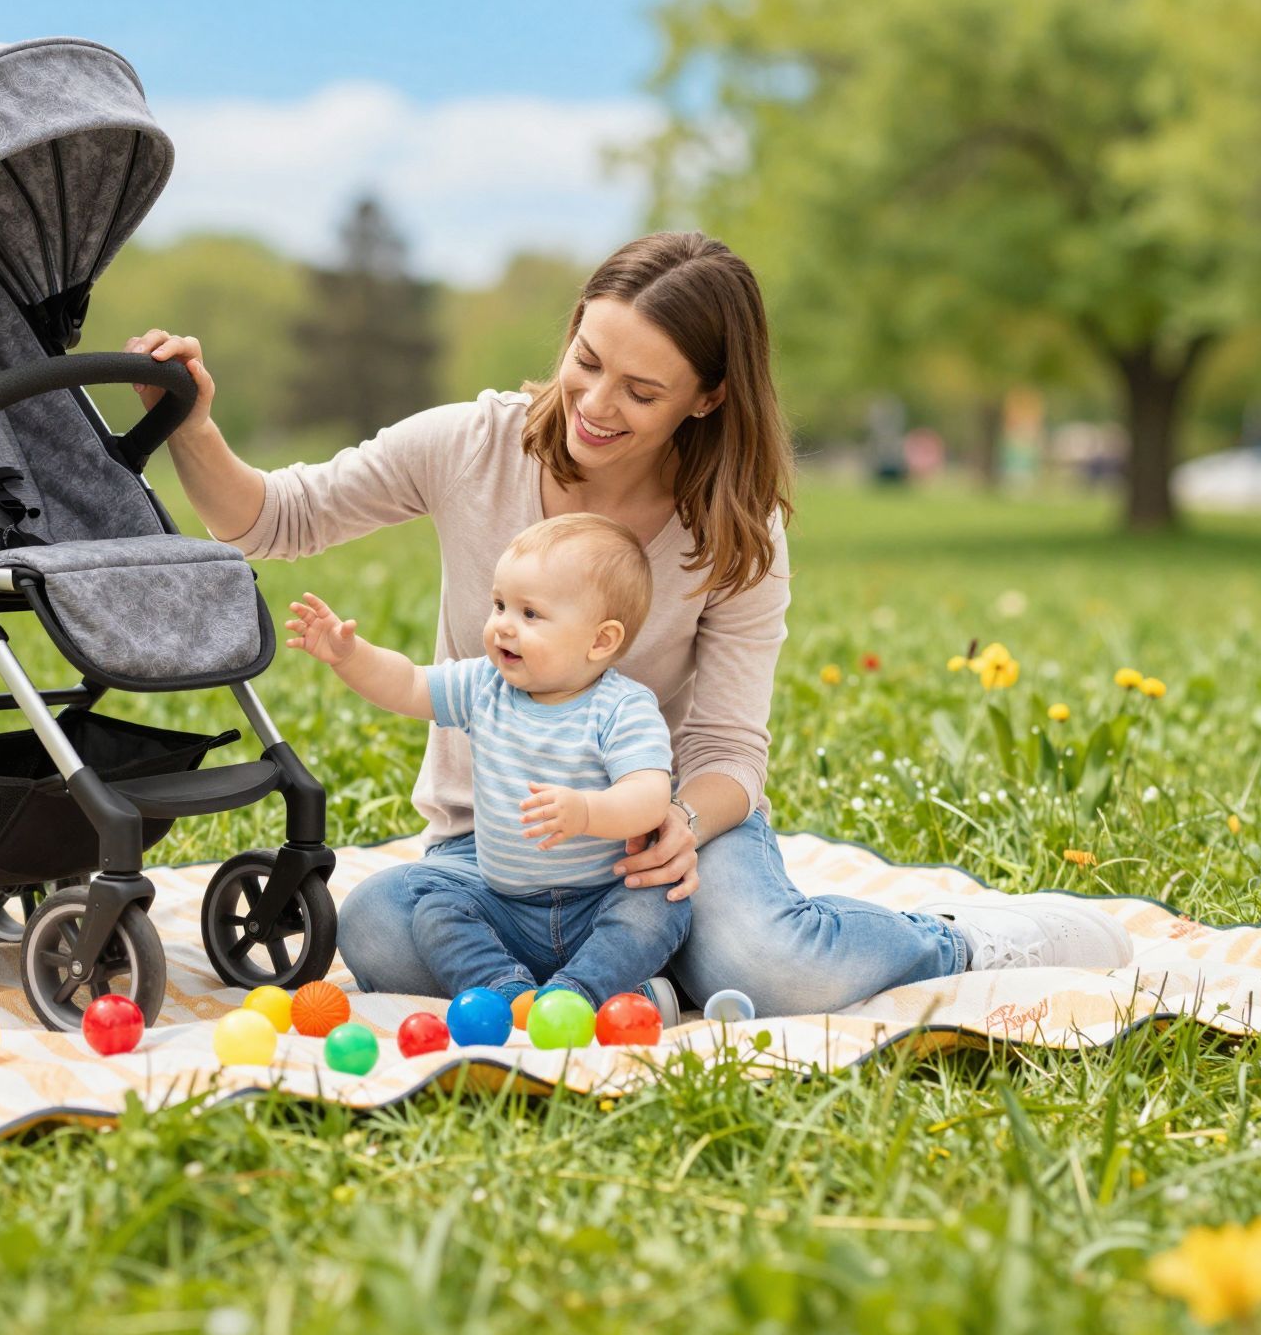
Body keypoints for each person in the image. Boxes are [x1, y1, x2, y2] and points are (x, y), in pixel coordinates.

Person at [128, 231, 1131, 1016]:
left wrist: (680, 828)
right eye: (586, 360)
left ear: (708, 398)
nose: (595, 405)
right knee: (379, 935)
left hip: (658, 838)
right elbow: (269, 519)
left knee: (775, 967)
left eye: (641, 391)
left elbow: (731, 751)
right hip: (495, 845)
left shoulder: (735, 533)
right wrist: (194, 426)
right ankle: (629, 984)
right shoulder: (468, 446)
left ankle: (948, 940)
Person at [286, 514, 687, 1020]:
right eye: (500, 604)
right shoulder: (485, 687)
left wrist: (586, 811)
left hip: (600, 899)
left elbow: (650, 796)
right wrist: (350, 656)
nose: (503, 624)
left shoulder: (622, 707)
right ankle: (513, 993)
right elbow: (408, 684)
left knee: (660, 909)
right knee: (437, 908)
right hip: (505, 905)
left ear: (601, 641)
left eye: (530, 614)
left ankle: (577, 995)